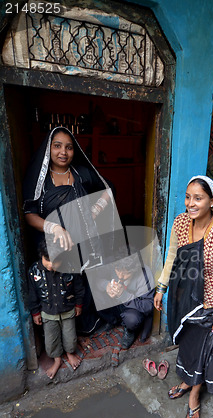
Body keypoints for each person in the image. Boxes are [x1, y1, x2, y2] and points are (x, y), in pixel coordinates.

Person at [154, 175, 213, 418]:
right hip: (183, 297)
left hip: (211, 303)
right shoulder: (180, 223)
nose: (191, 203)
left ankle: (194, 393)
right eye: (188, 197)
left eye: (198, 198)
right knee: (187, 344)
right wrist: (161, 288)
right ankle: (185, 379)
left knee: (203, 350)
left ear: (212, 201)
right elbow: (171, 257)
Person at [23, 126, 115, 334]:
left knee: (87, 283)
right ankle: (65, 336)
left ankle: (89, 325)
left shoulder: (81, 173)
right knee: (62, 287)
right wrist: (54, 227)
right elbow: (29, 214)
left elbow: (108, 189)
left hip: (85, 240)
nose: (63, 152)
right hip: (56, 245)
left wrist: (95, 210)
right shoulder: (39, 179)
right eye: (57, 146)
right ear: (49, 148)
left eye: (69, 147)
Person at [28, 239, 85, 379]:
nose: (51, 265)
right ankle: (57, 359)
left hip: (68, 311)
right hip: (48, 313)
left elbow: (79, 288)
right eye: (47, 260)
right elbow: (32, 294)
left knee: (70, 338)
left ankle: (70, 353)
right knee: (51, 340)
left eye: (56, 262)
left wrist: (78, 305)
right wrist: (35, 312)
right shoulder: (34, 271)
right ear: (41, 255)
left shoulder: (71, 268)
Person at [96, 252, 155, 350]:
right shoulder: (113, 264)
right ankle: (112, 320)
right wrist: (106, 286)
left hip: (132, 308)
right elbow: (95, 279)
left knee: (132, 319)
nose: (120, 276)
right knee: (95, 295)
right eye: (118, 271)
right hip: (115, 305)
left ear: (134, 270)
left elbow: (148, 306)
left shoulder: (144, 274)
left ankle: (130, 330)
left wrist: (124, 295)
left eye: (126, 273)